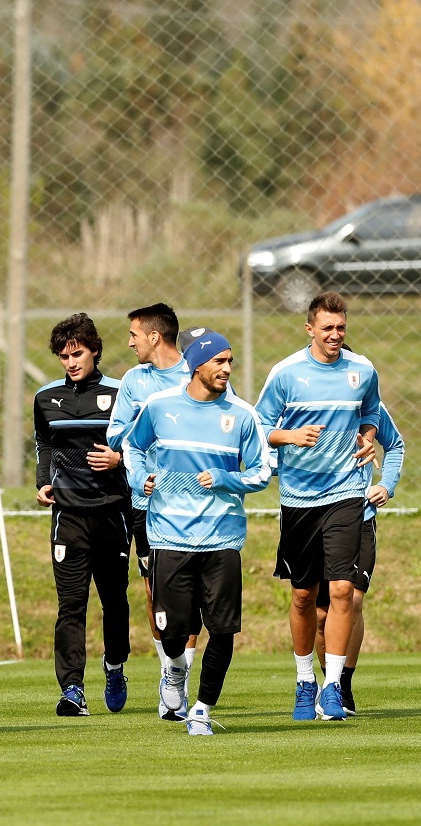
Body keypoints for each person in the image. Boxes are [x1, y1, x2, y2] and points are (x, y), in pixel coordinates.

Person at [124, 330, 269, 735]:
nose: (226, 369)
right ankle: (173, 669)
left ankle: (202, 708)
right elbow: (132, 448)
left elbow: (260, 471)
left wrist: (226, 478)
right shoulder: (158, 407)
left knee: (222, 629)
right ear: (196, 364)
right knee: (172, 631)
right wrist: (139, 479)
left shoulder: (243, 414)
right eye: (219, 361)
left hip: (222, 538)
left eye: (230, 361)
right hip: (170, 536)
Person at [254, 292, 380, 722]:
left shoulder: (362, 370)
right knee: (304, 595)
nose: (335, 335)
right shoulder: (286, 374)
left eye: (341, 327)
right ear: (310, 329)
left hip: (346, 493)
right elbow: (258, 428)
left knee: (343, 590)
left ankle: (332, 686)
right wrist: (291, 437)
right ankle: (304, 680)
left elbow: (372, 413)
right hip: (299, 498)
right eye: (327, 328)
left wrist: (366, 435)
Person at [34, 313, 131, 717]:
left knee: (114, 601)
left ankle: (114, 666)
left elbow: (144, 446)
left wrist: (120, 459)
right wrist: (43, 481)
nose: (71, 362)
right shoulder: (45, 398)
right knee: (70, 606)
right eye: (63, 356)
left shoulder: (121, 392)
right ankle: (72, 688)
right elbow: (43, 443)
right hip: (68, 516)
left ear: (94, 351)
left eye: (77, 353)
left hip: (112, 513)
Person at [105, 303, 198, 720]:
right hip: (148, 503)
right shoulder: (133, 381)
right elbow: (116, 434)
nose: (129, 342)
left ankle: (183, 672)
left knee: (194, 595)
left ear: (155, 337)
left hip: (197, 503)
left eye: (134, 335)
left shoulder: (199, 372)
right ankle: (169, 672)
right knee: (156, 590)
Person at [314, 404, 405, 715]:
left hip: (359, 517)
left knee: (351, 600)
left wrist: (385, 485)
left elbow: (395, 445)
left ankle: (341, 684)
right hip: (311, 516)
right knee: (321, 613)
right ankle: (324, 683)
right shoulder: (306, 402)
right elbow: (270, 449)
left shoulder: (371, 406)